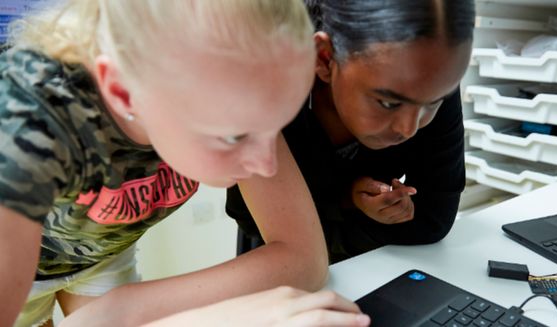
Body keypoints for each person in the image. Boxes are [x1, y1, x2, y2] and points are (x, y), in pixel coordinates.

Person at [0, 1, 369, 326]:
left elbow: (302, 256)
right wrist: (210, 318)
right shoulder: (27, 128)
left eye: (273, 128)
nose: (265, 164)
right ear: (123, 91)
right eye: (233, 137)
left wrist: (122, 311)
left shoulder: (233, 90)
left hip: (100, 249)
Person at [226, 0, 475, 263]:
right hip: (280, 267)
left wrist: (333, 212)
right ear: (324, 58)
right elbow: (255, 223)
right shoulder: (269, 88)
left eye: (433, 103)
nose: (409, 128)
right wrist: (345, 202)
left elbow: (434, 219)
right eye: (388, 103)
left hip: (377, 266)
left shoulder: (430, 80)